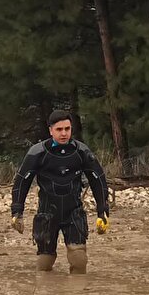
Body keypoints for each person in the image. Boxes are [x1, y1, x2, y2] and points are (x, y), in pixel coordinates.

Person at [10, 110, 110, 273]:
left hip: (74, 213)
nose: (64, 133)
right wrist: (17, 212)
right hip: (47, 214)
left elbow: (98, 179)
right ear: (50, 130)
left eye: (67, 129)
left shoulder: (81, 152)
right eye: (59, 129)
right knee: (44, 264)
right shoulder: (37, 153)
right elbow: (22, 181)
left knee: (79, 260)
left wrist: (102, 211)